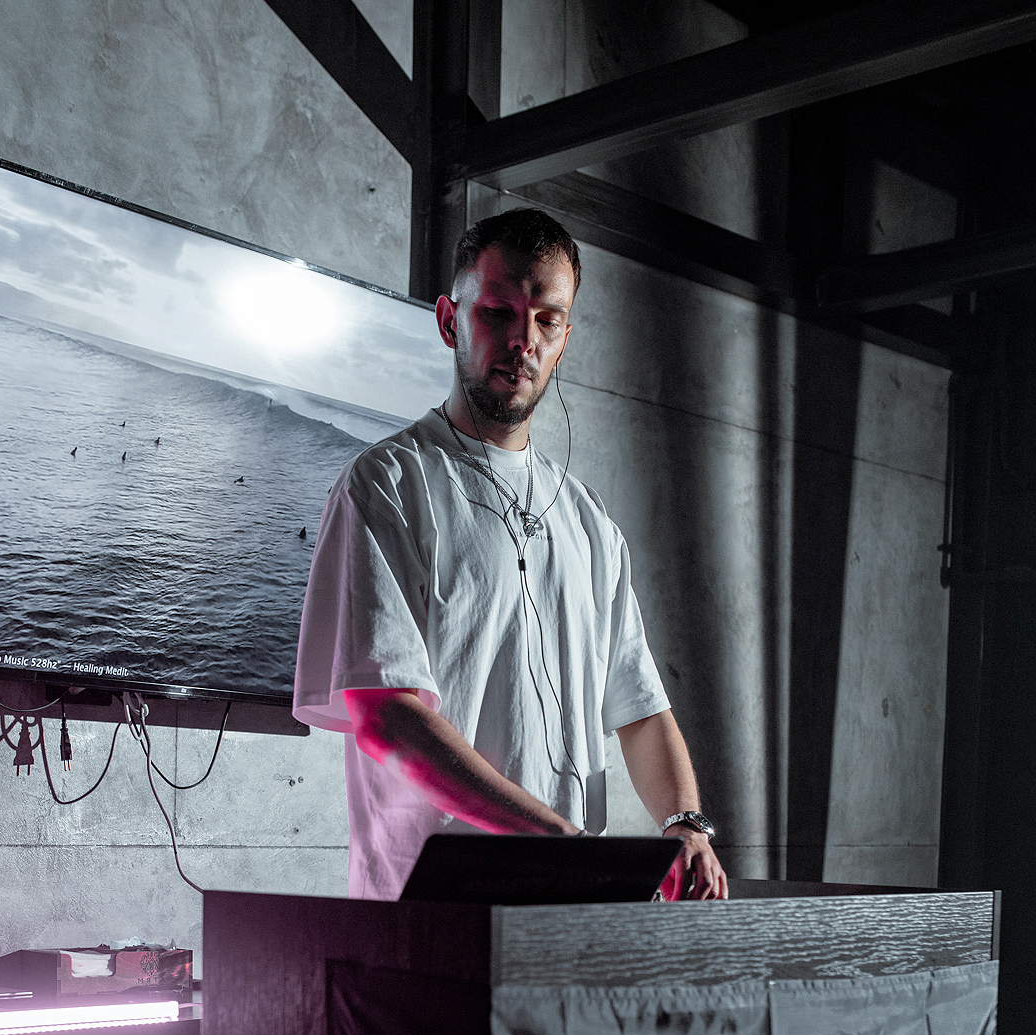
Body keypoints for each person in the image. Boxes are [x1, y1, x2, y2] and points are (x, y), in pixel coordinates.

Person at [293, 208, 728, 903]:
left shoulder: (590, 522)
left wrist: (685, 824)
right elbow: (386, 715)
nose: (523, 341)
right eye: (498, 313)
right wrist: (557, 839)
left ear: (564, 338)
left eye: (547, 320)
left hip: (569, 911)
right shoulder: (386, 485)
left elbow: (642, 710)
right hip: (429, 917)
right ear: (450, 321)